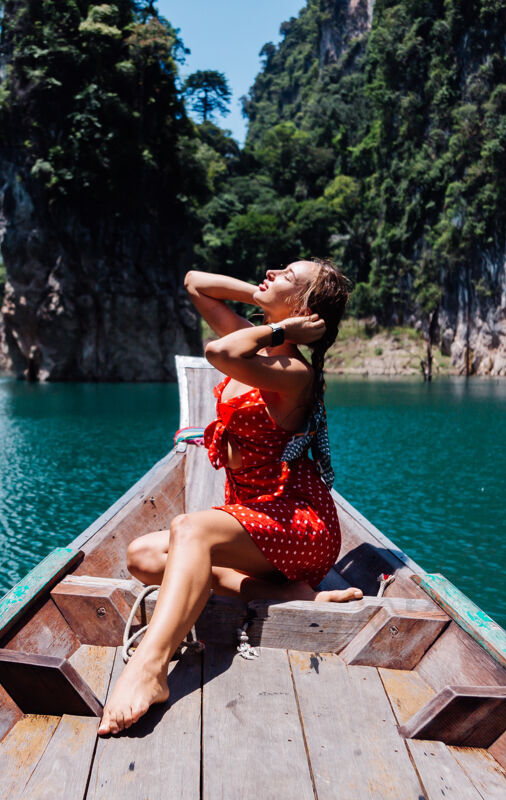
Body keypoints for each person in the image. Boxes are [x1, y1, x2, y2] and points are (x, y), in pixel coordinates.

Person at [97, 259, 361, 736]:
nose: (271, 273)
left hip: (298, 523)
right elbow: (195, 283)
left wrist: (280, 326)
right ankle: (286, 593)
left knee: (189, 529)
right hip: (253, 517)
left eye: (285, 277)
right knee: (141, 557)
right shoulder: (255, 336)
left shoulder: (293, 371)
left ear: (302, 309)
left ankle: (150, 669)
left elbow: (219, 352)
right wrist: (264, 303)